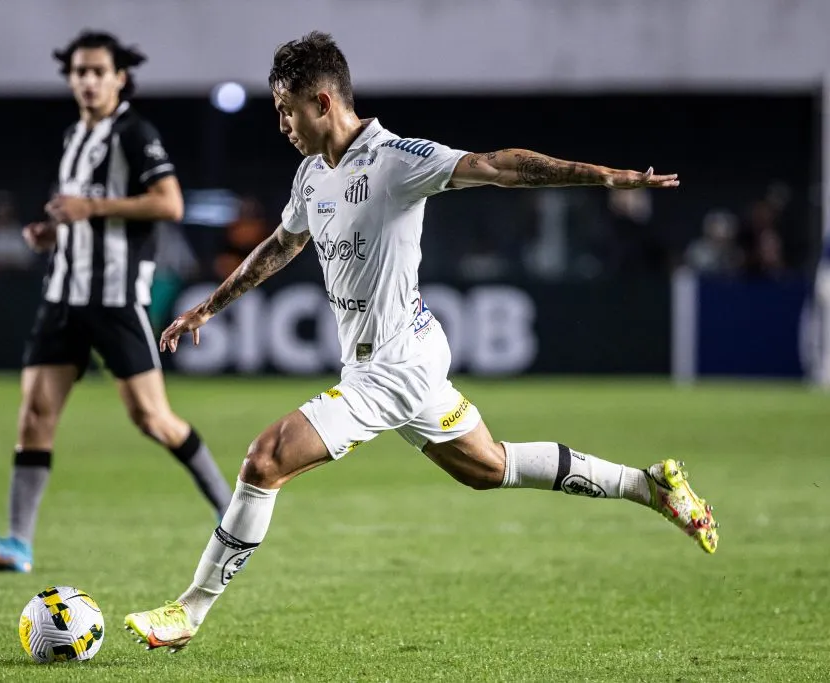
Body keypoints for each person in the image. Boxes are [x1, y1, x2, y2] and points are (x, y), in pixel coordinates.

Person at [124, 31, 718, 650]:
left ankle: (188, 611)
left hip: (394, 367)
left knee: (265, 459)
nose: (282, 125)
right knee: (490, 468)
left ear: (323, 102)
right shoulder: (311, 175)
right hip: (396, 358)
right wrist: (208, 307)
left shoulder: (396, 159)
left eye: (287, 110)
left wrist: (605, 178)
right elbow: (282, 244)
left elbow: (499, 166)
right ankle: (649, 485)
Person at [0, 30, 232, 573]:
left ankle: (232, 508)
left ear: (119, 78)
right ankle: (17, 543)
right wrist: (52, 234)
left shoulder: (135, 133)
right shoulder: (73, 138)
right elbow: (79, 215)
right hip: (62, 296)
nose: (87, 80)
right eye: (79, 72)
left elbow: (170, 203)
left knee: (153, 419)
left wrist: (91, 209)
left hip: (114, 299)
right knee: (35, 415)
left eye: (98, 71)